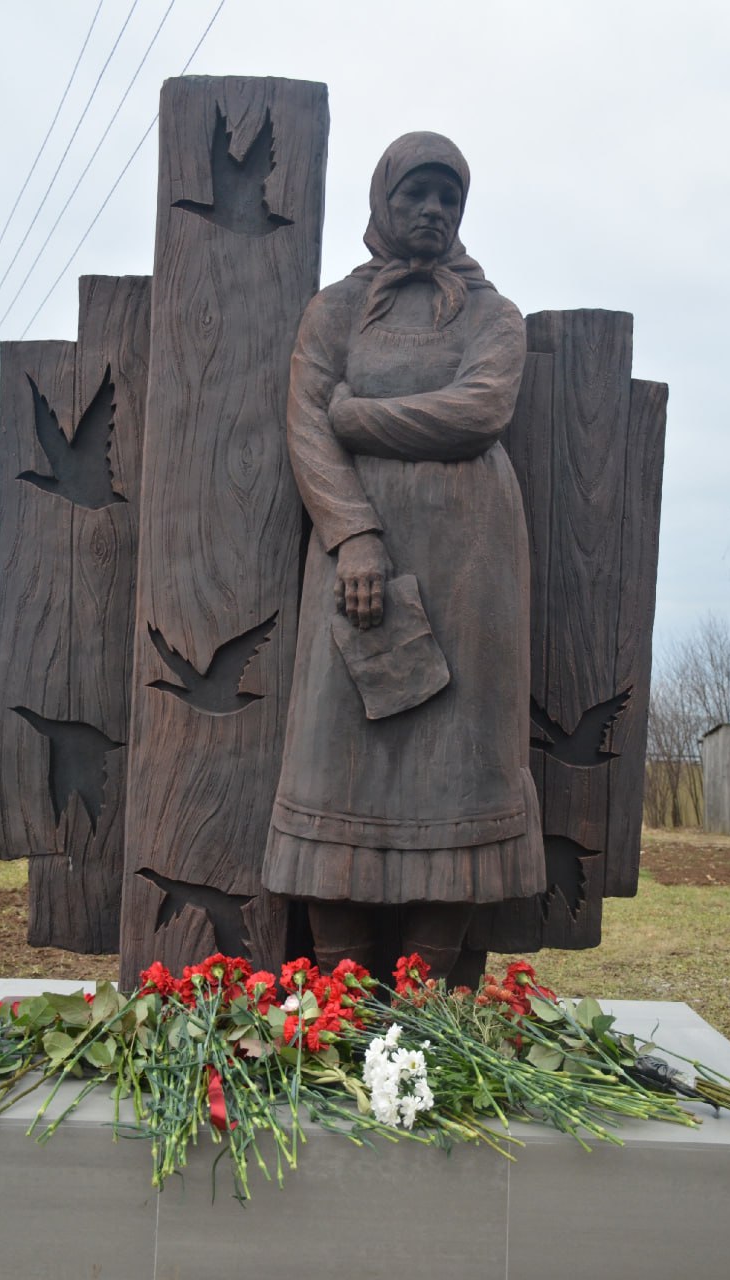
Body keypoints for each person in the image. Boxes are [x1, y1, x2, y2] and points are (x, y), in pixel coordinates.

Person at [262, 132, 545, 981]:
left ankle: (429, 1003)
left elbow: (478, 411)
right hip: (358, 568)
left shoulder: (492, 314)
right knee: (332, 757)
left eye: (447, 199)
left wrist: (361, 416)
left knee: (461, 770)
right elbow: (306, 424)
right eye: (415, 195)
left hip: (472, 569)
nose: (431, 212)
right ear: (381, 200)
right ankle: (343, 995)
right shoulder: (336, 310)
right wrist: (353, 533)